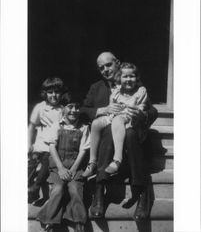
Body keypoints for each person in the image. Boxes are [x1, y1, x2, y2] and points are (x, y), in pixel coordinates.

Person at [80, 52, 158, 220]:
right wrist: (101, 110)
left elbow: (153, 111)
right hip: (105, 145)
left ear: (117, 63)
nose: (105, 70)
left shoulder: (133, 82)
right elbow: (83, 111)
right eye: (101, 68)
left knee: (129, 133)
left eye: (108, 65)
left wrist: (141, 114)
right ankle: (99, 192)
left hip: (132, 141)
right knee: (107, 131)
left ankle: (142, 193)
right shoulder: (97, 87)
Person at [82, 62, 149, 177]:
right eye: (125, 76)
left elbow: (142, 108)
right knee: (96, 123)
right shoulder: (117, 91)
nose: (128, 79)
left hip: (130, 118)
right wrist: (109, 109)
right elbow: (112, 107)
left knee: (118, 120)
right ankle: (92, 161)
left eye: (132, 76)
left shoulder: (140, 91)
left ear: (137, 78)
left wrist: (138, 111)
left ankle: (117, 159)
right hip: (115, 116)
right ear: (119, 78)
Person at [37, 96, 90, 232]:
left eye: (77, 107)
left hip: (76, 167)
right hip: (57, 166)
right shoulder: (56, 125)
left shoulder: (84, 128)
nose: (74, 110)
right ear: (63, 108)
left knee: (75, 190)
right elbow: (52, 147)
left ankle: (79, 222)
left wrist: (73, 169)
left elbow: (83, 151)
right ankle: (50, 221)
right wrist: (60, 168)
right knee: (58, 189)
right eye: (70, 107)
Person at [28, 77, 65, 202]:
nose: (53, 95)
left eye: (57, 92)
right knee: (34, 162)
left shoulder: (63, 109)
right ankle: (30, 187)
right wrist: (28, 144)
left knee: (47, 162)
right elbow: (32, 126)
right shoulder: (41, 107)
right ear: (45, 93)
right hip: (41, 143)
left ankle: (35, 187)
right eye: (50, 92)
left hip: (54, 146)